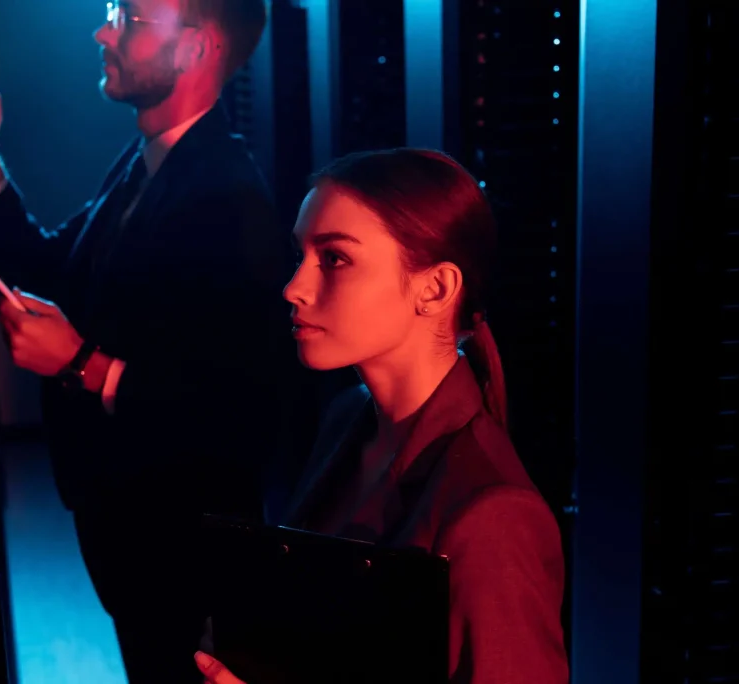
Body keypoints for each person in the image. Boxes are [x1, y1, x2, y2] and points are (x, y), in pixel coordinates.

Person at [0, 1, 294, 681]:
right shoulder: (153, 160)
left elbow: (243, 415)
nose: (103, 31)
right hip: (130, 536)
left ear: (197, 49)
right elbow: (60, 268)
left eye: (130, 18)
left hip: (181, 552)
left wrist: (84, 364)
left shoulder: (231, 200)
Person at [193, 149, 570, 684]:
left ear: (435, 289)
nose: (294, 287)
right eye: (300, 255)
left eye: (335, 259)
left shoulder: (494, 518)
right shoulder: (348, 420)